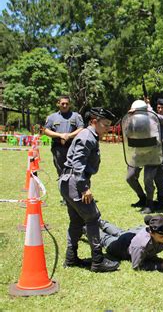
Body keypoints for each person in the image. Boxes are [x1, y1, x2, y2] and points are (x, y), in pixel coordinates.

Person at [60, 107, 120, 273]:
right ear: (94, 121)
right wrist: (84, 188)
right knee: (92, 217)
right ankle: (97, 260)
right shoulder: (87, 137)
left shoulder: (90, 135)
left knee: (77, 221)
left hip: (68, 181)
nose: (108, 128)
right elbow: (78, 164)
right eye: (105, 124)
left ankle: (71, 258)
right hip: (74, 181)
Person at [98, 214, 163, 270]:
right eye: (162, 236)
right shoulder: (141, 245)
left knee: (119, 232)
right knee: (105, 239)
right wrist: (159, 266)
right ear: (151, 233)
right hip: (122, 247)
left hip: (133, 234)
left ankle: (101, 222)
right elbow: (137, 266)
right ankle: (86, 227)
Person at [44, 96, 84, 204]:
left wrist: (69, 136)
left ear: (69, 104)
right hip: (58, 149)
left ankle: (76, 195)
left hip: (73, 148)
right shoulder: (52, 117)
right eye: (62, 103)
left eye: (67, 103)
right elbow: (46, 130)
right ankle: (65, 198)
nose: (65, 105)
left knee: (75, 171)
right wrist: (60, 135)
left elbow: (81, 128)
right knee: (61, 173)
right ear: (58, 104)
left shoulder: (76, 116)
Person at [142, 98, 163, 214]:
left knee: (160, 178)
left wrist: (148, 105)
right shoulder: (154, 118)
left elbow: (153, 116)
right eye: (158, 107)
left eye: (162, 108)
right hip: (151, 150)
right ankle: (149, 203)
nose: (159, 110)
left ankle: (162, 201)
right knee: (148, 178)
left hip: (162, 151)